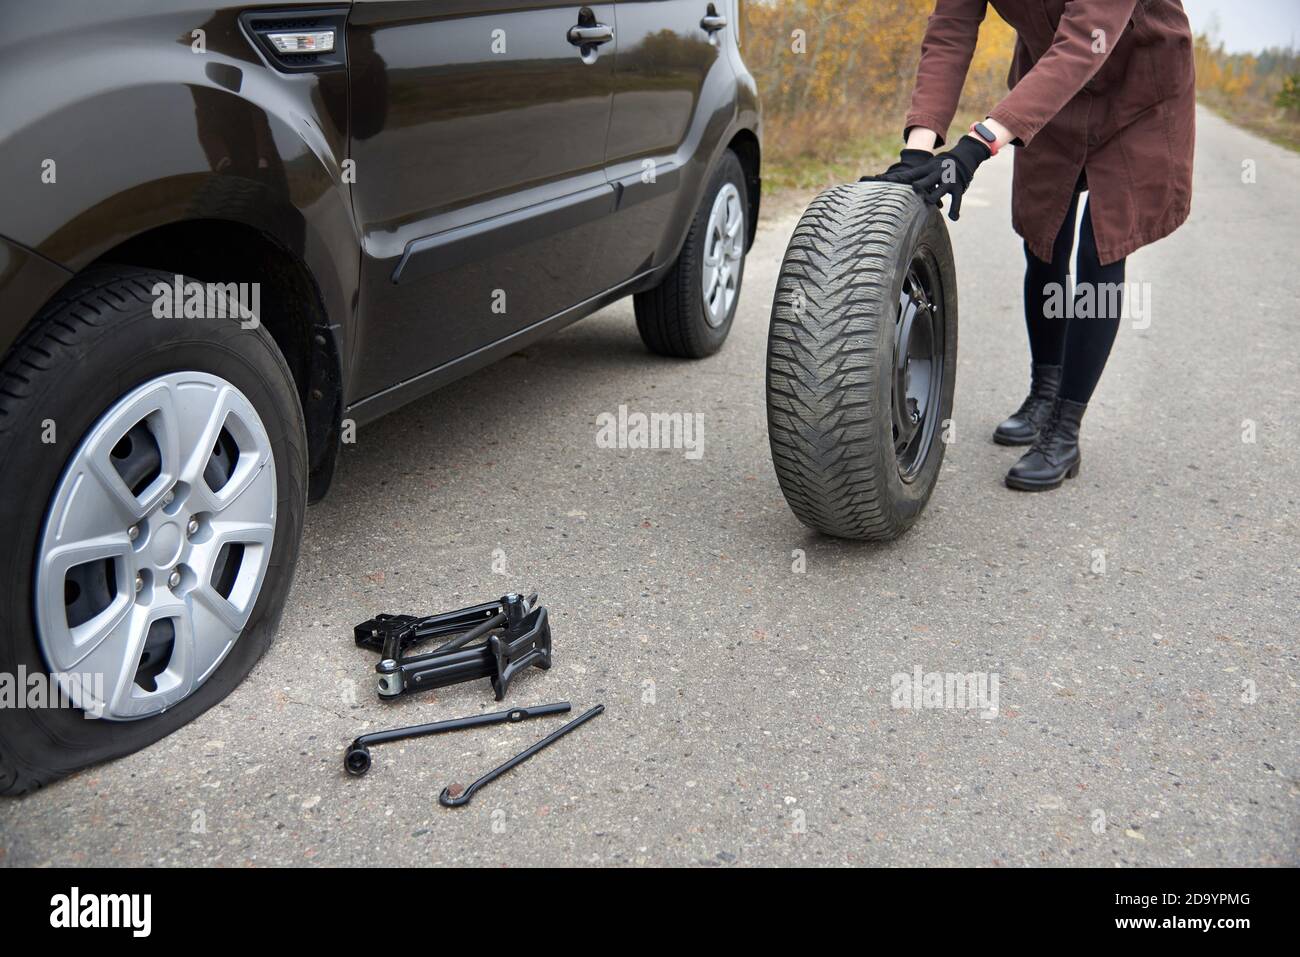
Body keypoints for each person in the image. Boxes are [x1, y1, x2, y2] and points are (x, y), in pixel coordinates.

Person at [864, 0, 1195, 490]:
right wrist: (919, 147)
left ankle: (1065, 429)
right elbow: (952, 30)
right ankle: (1045, 389)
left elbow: (1086, 40)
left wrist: (978, 144)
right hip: (1050, 95)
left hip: (1137, 93)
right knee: (1043, 238)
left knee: (1101, 246)